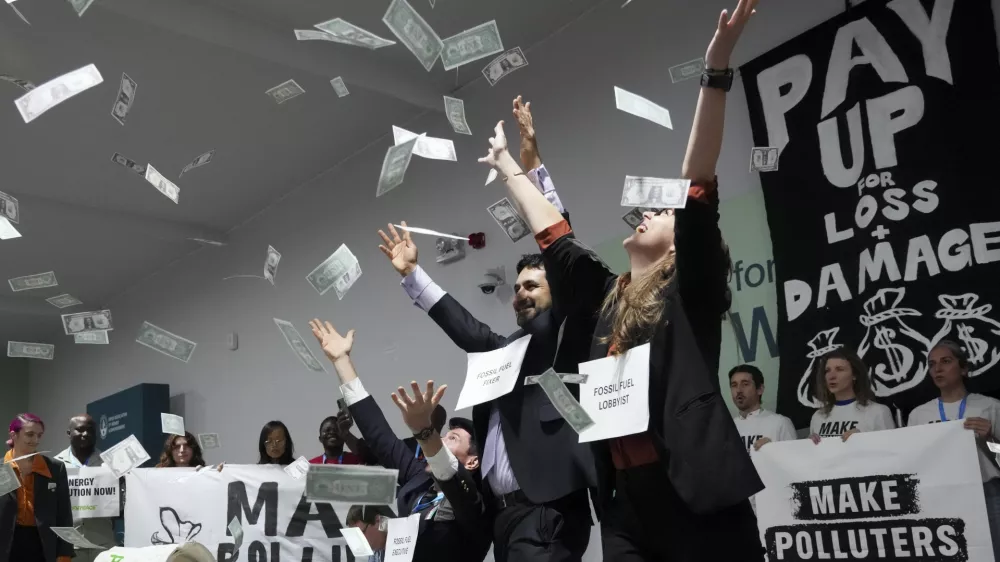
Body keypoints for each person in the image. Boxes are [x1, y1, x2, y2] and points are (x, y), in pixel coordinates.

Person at [475, 2, 762, 559]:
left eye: (666, 215)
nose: (650, 212)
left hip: (692, 493)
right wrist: (509, 167)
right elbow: (554, 236)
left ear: (682, 248)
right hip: (624, 504)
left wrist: (717, 66)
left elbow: (696, 180)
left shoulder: (689, 293)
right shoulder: (605, 295)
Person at [376, 97, 595, 562]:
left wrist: (531, 166)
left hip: (548, 510)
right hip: (504, 519)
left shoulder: (562, 335)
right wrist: (413, 275)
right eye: (515, 287)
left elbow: (565, 256)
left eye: (532, 285)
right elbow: (469, 331)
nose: (519, 294)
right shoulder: (506, 350)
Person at [309, 319, 491, 562]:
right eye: (444, 434)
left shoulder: (473, 504)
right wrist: (342, 362)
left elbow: (449, 475)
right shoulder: (419, 480)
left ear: (471, 462)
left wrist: (424, 431)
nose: (443, 439)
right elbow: (379, 436)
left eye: (453, 438)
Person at [906, 340, 1000, 560]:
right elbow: (912, 463)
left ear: (964, 368)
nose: (937, 369)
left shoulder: (990, 406)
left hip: (986, 492)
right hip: (941, 495)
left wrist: (989, 439)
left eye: (946, 361)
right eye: (932, 364)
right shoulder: (919, 415)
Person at [0, 413, 73, 562]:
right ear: (13, 435)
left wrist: (65, 552)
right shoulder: (1, 468)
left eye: (39, 435)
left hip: (43, 545)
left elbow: (64, 514)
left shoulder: (55, 468)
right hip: (6, 545)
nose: (35, 440)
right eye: (30, 434)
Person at [53, 415, 114, 562]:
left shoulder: (110, 461)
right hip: (70, 545)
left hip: (103, 543)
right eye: (80, 430)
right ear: (69, 433)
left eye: (90, 430)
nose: (85, 434)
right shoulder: (55, 464)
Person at [808, 348, 895, 441]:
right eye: (827, 370)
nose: (831, 376)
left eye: (839, 369)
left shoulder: (878, 412)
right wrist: (809, 445)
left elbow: (892, 450)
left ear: (854, 375)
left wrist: (864, 439)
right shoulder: (818, 416)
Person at [729, 365, 796, 452]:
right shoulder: (727, 428)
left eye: (745, 384)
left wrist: (773, 451)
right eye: (734, 385)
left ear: (760, 389)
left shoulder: (780, 423)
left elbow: (794, 461)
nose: (738, 390)